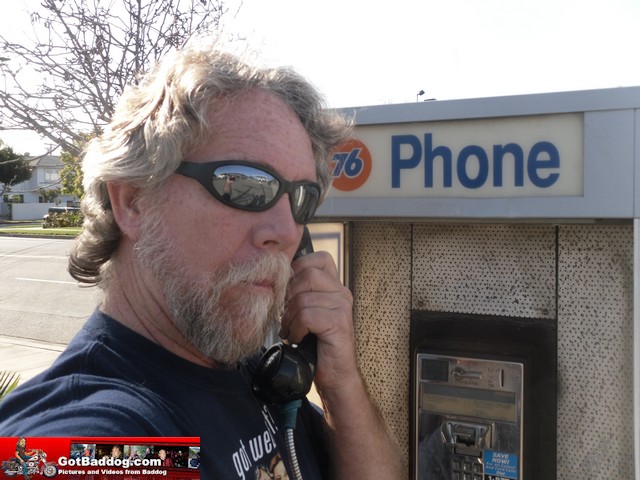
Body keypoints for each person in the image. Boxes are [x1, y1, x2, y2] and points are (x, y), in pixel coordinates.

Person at [0, 36, 404, 479]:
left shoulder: (260, 378)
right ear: (134, 202)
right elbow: (63, 461)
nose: (288, 231)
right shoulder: (114, 435)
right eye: (244, 185)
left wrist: (341, 384)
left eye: (302, 198)